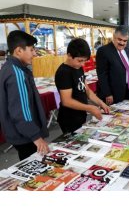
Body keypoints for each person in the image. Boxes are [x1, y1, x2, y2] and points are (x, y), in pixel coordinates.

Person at [0, 30, 50, 160]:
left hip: (21, 132)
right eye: (31, 50)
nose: (34, 53)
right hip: (25, 135)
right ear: (19, 51)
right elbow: (20, 111)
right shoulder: (16, 73)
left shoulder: (11, 68)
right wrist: (36, 137)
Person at [55, 38, 109, 134]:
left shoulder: (78, 67)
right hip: (69, 118)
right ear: (69, 55)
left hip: (80, 114)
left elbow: (87, 90)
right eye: (80, 61)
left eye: (84, 61)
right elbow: (66, 101)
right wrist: (90, 108)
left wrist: (101, 103)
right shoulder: (64, 72)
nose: (82, 64)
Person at [96, 25, 129, 105]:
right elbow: (102, 75)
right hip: (113, 94)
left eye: (125, 41)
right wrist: (107, 93)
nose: (122, 43)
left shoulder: (128, 51)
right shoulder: (103, 51)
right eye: (119, 39)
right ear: (114, 37)